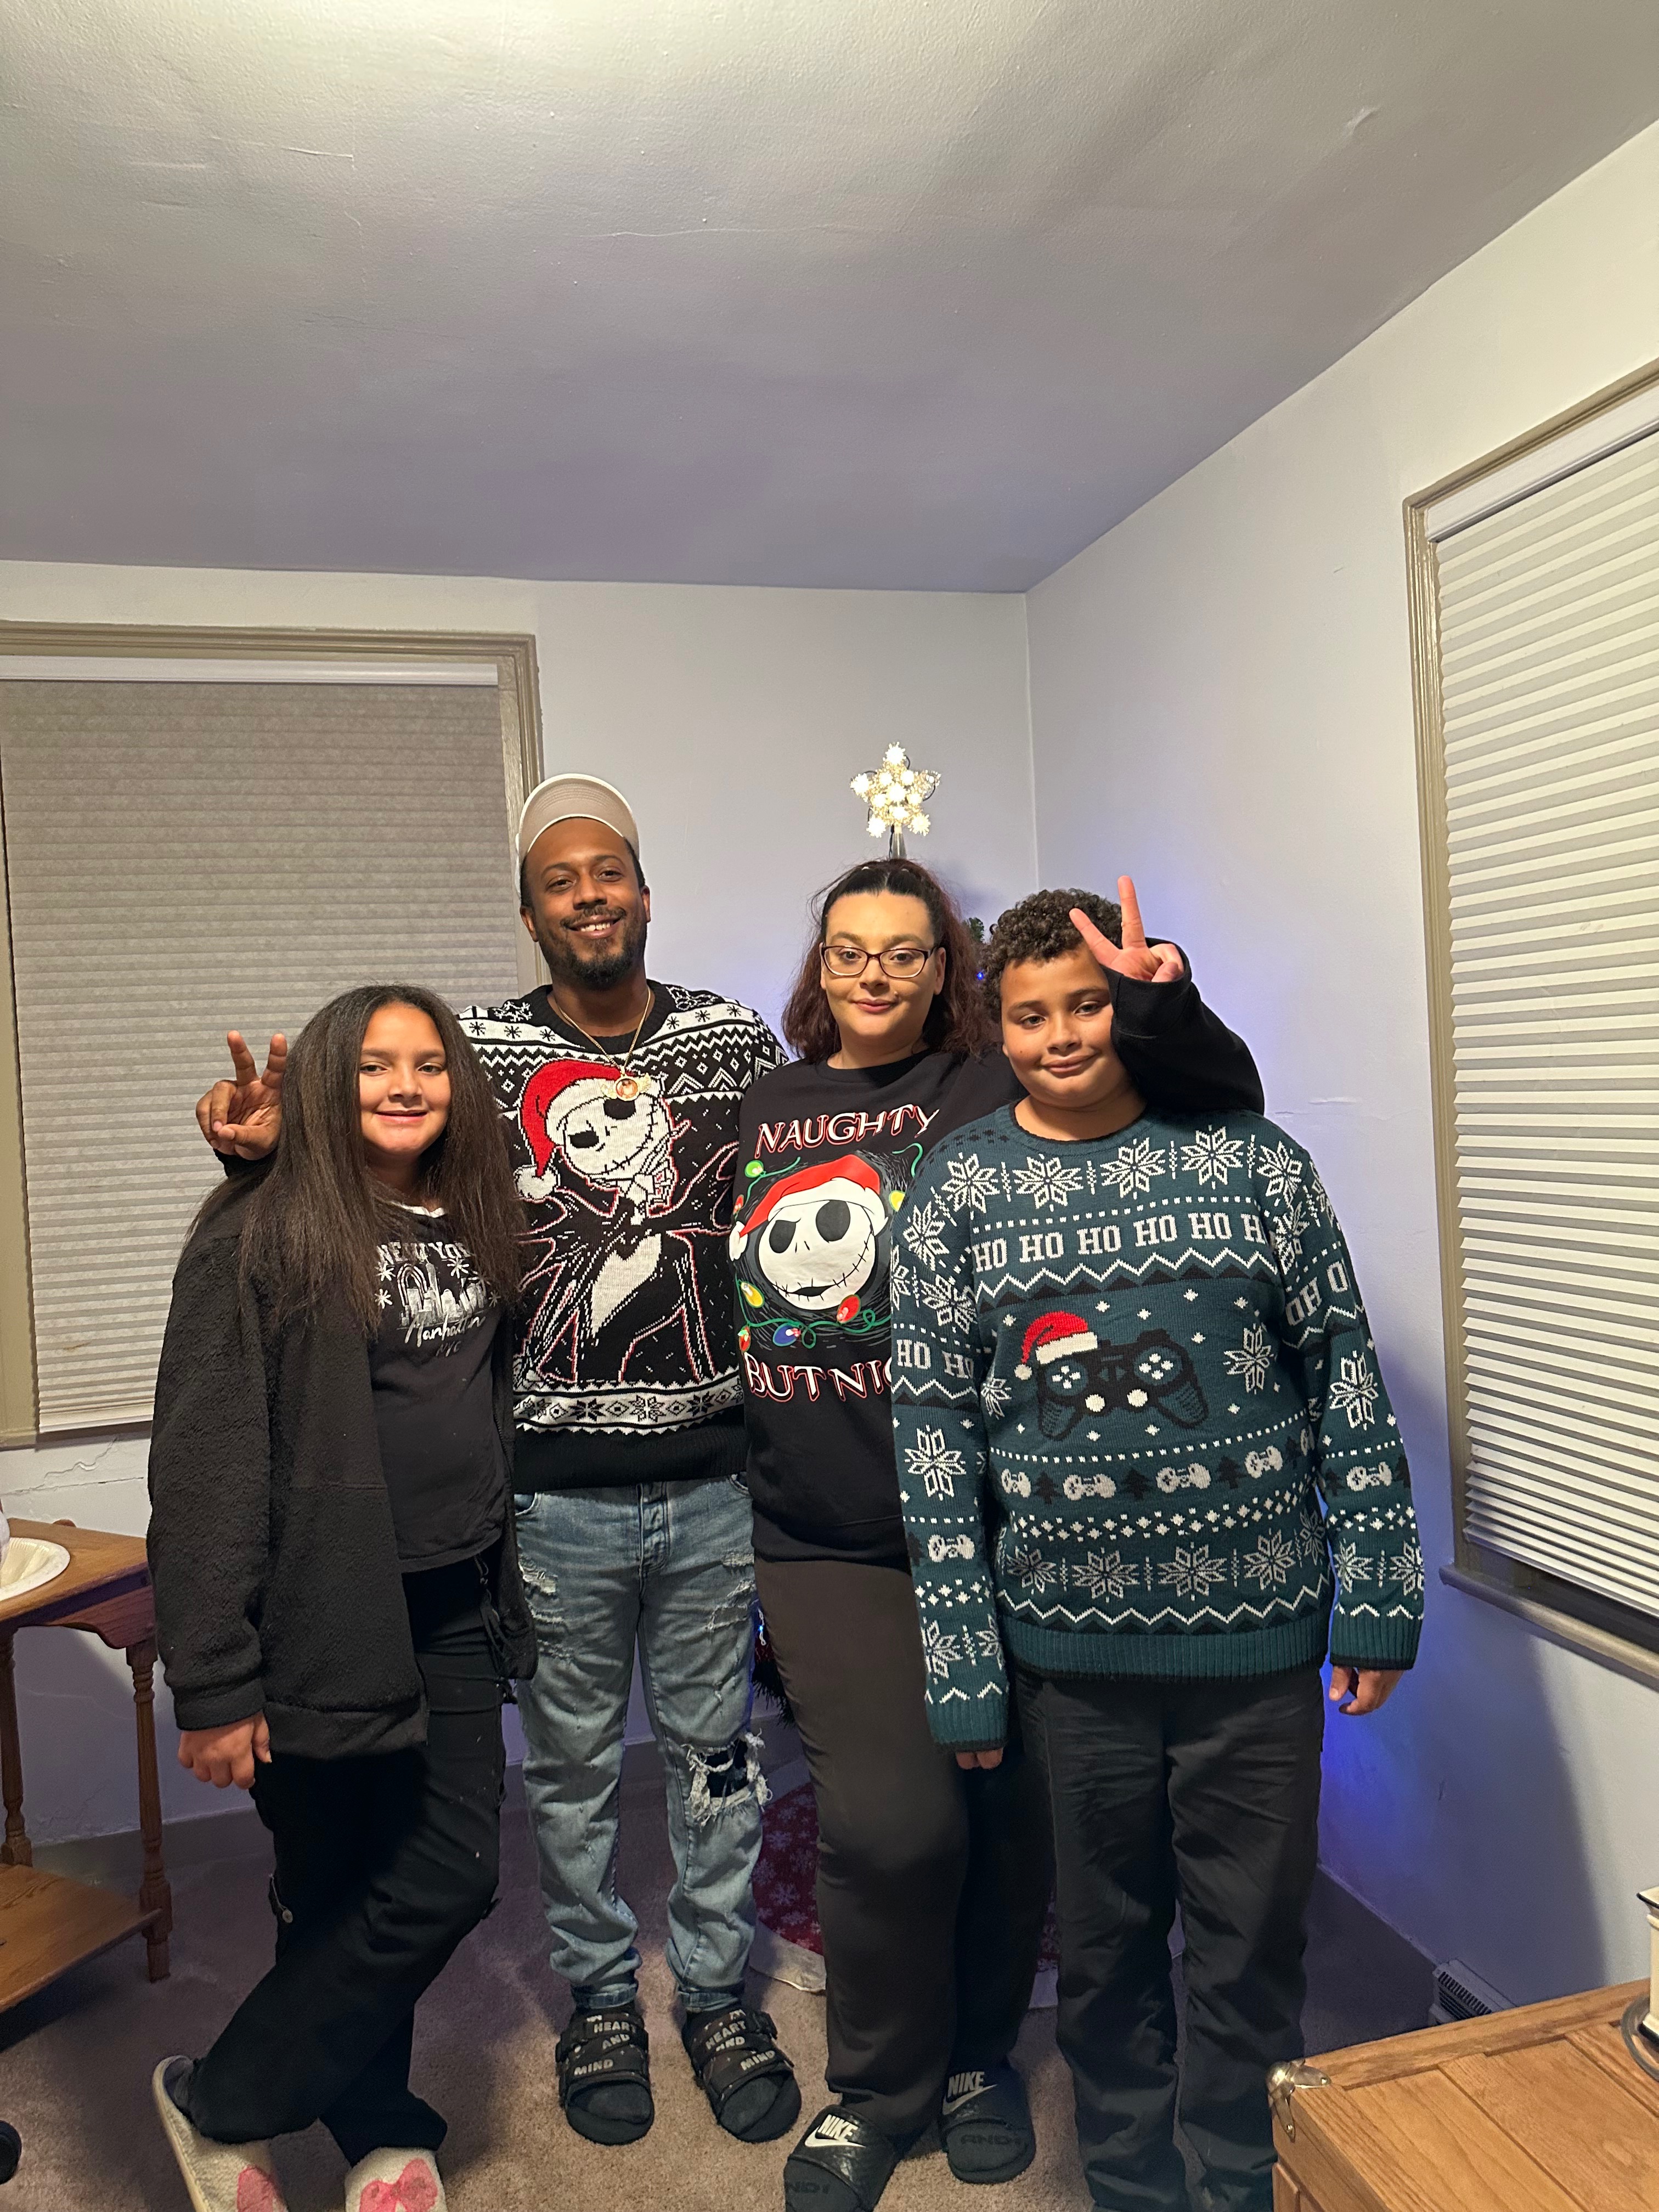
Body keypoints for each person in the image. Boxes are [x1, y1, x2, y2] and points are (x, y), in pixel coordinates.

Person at [195, 775, 799, 2152]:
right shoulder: (473, 1053)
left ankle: (717, 1998)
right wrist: (255, 1148)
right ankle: (602, 2001)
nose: (589, 896)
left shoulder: (729, 1037)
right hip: (550, 1497)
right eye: (559, 881)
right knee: (572, 1774)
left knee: (715, 1760)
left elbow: (814, 1170)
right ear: (529, 914)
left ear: (644, 892)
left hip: (714, 1482)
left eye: (609, 872)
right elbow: (373, 1152)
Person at [730, 856, 1265, 2212]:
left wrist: (1164, 1005)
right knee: (893, 1826)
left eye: (905, 952)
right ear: (820, 964)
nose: (874, 973)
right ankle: (877, 2090)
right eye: (849, 949)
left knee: (1015, 1817)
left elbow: (1213, 1107)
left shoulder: (992, 1083)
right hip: (829, 1533)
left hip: (1007, 1521)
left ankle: (978, 2061)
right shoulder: (766, 1105)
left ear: (946, 971)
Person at [890, 889, 1425, 2212]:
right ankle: (1131, 2184)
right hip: (1067, 1665)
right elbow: (933, 1434)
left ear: (1129, 1007)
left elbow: (1343, 1372)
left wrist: (1379, 1594)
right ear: (996, 1027)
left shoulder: (1257, 1161)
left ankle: (1243, 2181)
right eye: (1032, 1015)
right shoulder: (958, 1186)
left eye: (1088, 1004)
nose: (1064, 1035)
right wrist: (963, 1666)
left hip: (1261, 1647)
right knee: (1107, 1955)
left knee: (1253, 1948)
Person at [150, 986, 537, 2212]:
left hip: (455, 1603)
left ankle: (220, 2099)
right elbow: (205, 1466)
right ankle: (383, 2131)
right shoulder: (262, 1232)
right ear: (327, 1079)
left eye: (429, 1063)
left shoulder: (475, 1215)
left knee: (448, 1874)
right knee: (332, 1887)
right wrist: (214, 1681)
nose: (407, 1085)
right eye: (374, 1064)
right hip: (322, 1614)